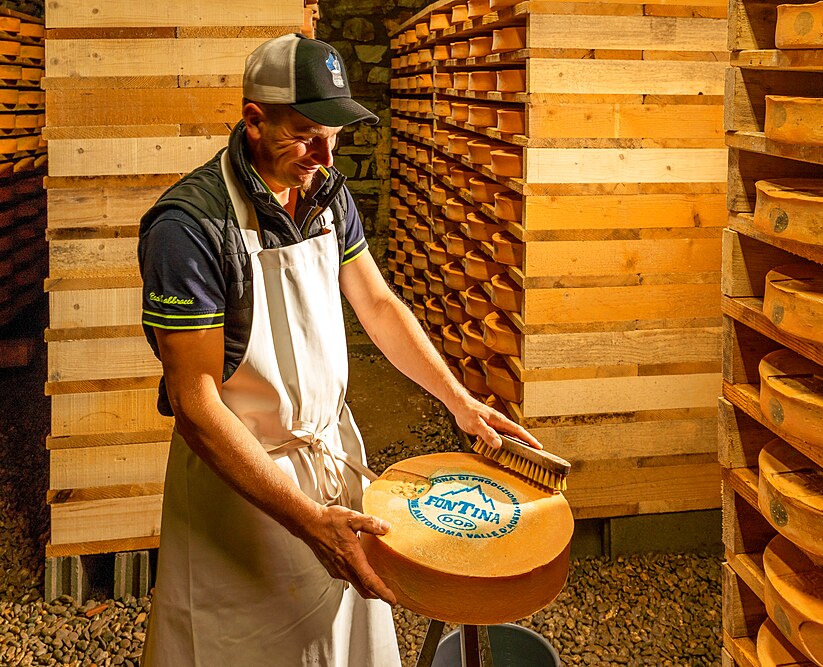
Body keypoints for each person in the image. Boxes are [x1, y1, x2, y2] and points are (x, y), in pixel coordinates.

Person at [137, 33, 538, 667]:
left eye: (335, 134)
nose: (325, 154)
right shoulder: (189, 228)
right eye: (305, 134)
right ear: (254, 120)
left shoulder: (327, 193)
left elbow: (378, 306)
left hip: (327, 458)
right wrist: (305, 519)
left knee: (343, 648)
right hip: (244, 484)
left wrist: (460, 403)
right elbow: (195, 403)